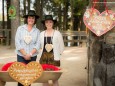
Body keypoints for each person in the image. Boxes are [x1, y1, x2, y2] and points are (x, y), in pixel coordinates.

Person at [15, 10, 40, 86]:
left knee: (29, 77)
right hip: (21, 56)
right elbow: (17, 42)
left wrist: (30, 54)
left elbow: (38, 44)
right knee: (21, 76)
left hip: (32, 57)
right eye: (29, 18)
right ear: (27, 19)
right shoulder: (20, 29)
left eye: (33, 18)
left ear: (35, 20)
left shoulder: (37, 31)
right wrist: (25, 54)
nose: (31, 20)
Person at [39, 15, 64, 86]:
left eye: (50, 22)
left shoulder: (57, 33)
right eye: (47, 22)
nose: (48, 24)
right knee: (44, 79)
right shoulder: (41, 34)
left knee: (55, 79)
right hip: (43, 58)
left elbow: (62, 47)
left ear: (53, 23)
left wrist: (57, 55)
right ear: (45, 23)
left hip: (54, 59)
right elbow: (39, 46)